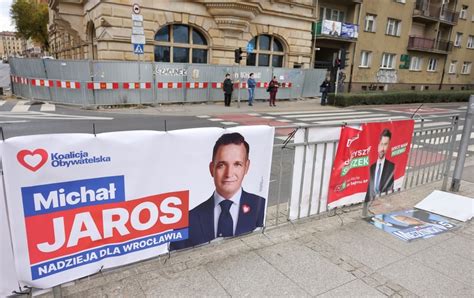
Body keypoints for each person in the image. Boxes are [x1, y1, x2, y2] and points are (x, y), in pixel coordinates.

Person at [171, 132, 266, 250]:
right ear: (212, 169)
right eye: (222, 165)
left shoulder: (261, 205)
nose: (229, 174)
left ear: (246, 167)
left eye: (237, 164)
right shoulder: (188, 220)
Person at [365, 128, 395, 202]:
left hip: (382, 203)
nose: (382, 149)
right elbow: (369, 190)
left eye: (385, 144)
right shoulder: (372, 167)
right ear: (378, 145)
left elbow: (390, 190)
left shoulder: (391, 167)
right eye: (381, 144)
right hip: (371, 202)